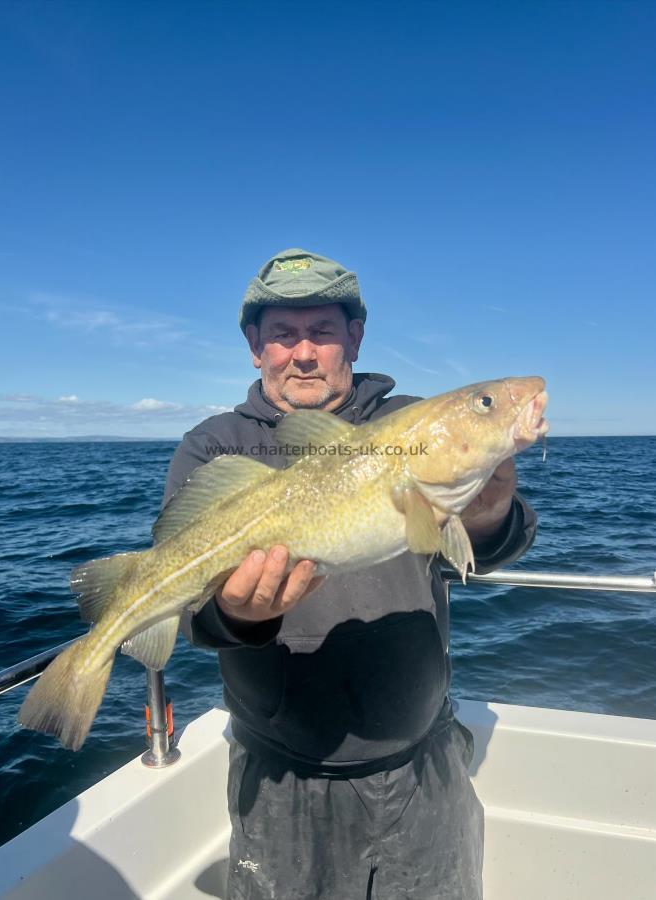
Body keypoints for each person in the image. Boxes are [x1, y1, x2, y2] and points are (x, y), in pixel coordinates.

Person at [163, 248, 537, 900]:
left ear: (354, 338)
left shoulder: (410, 425)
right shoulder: (214, 446)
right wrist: (237, 615)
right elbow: (195, 611)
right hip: (280, 776)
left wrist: (491, 508)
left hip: (424, 764)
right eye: (283, 333)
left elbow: (490, 544)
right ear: (255, 346)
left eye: (323, 331)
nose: (303, 352)